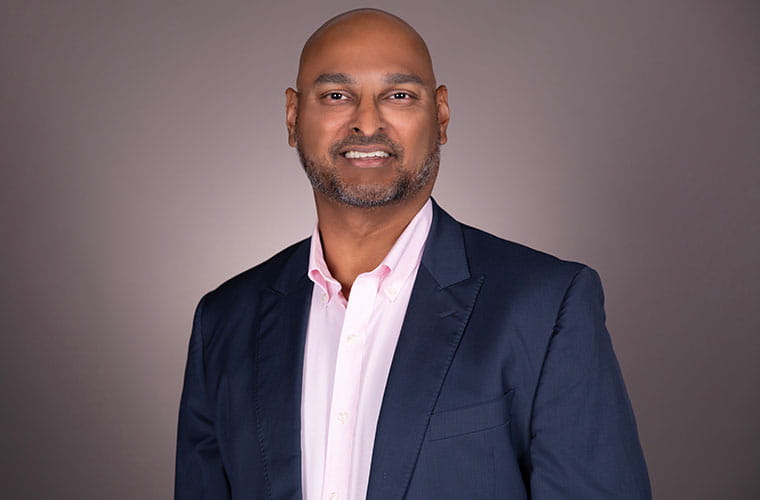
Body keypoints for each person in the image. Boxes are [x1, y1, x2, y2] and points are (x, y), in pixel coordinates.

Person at [175, 8, 651, 500]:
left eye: (398, 95)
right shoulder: (224, 321)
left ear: (440, 115)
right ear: (293, 117)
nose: (366, 122)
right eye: (336, 96)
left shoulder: (546, 307)